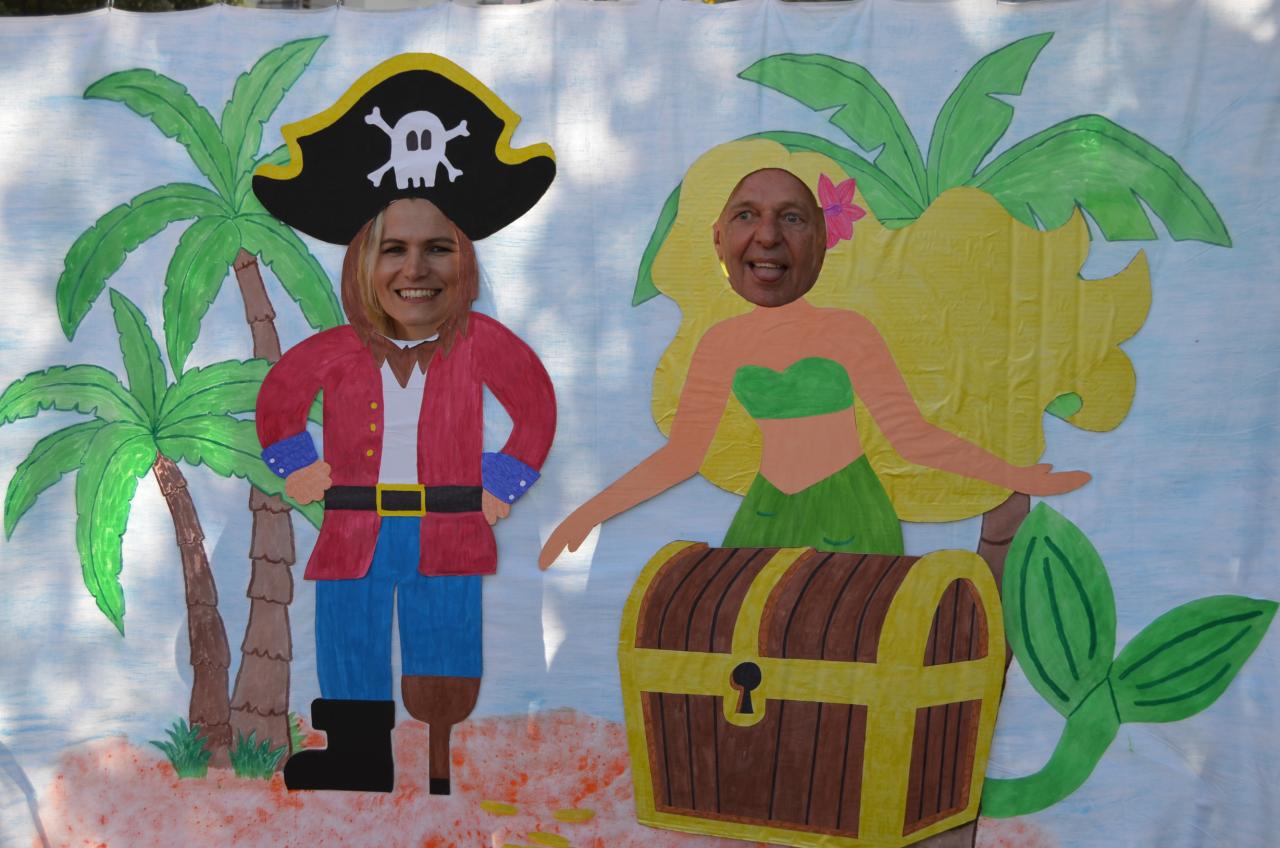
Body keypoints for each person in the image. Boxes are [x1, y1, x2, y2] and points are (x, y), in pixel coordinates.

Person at [252, 54, 557, 794]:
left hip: (448, 524)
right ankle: (357, 755)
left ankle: (442, 754)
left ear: (465, 260)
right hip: (354, 525)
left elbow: (535, 406)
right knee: (349, 634)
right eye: (394, 249)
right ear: (362, 262)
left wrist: (502, 482)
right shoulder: (334, 351)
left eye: (437, 249)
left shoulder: (482, 344)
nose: (414, 269)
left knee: (445, 636)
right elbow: (280, 397)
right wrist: (298, 464)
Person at [539, 168, 1086, 568]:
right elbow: (683, 455)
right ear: (718, 239)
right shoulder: (721, 344)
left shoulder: (847, 332)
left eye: (791, 218)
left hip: (852, 517)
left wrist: (1015, 477)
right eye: (746, 215)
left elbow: (912, 438)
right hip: (765, 516)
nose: (767, 236)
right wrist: (589, 513)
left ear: (821, 242)